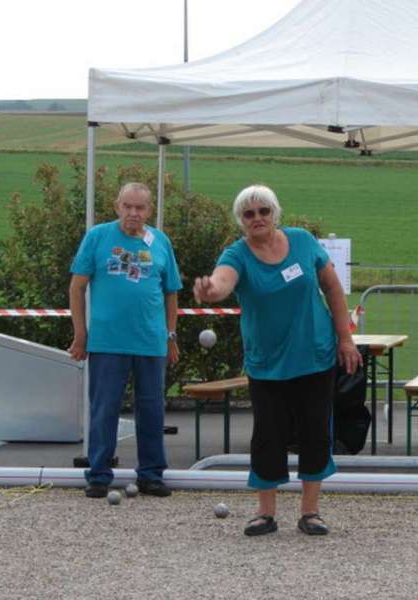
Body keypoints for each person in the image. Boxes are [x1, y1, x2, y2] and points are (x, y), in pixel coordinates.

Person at [193, 184, 361, 537]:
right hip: (267, 362)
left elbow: (332, 287)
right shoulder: (236, 254)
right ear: (241, 220)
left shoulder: (302, 241)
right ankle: (265, 513)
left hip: (315, 355)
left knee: (315, 432)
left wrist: (345, 339)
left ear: (275, 214)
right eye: (249, 214)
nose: (257, 218)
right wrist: (211, 290)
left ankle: (311, 512)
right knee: (267, 435)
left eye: (264, 211)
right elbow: (224, 282)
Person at [69, 182, 182, 499]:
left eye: (140, 207)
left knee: (152, 409)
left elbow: (171, 292)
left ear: (149, 210)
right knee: (104, 408)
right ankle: (99, 474)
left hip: (150, 340)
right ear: (117, 206)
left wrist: (170, 335)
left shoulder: (160, 241)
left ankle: (151, 474)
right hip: (107, 341)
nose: (134, 213)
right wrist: (81, 334)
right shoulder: (98, 237)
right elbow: (77, 287)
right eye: (128, 206)